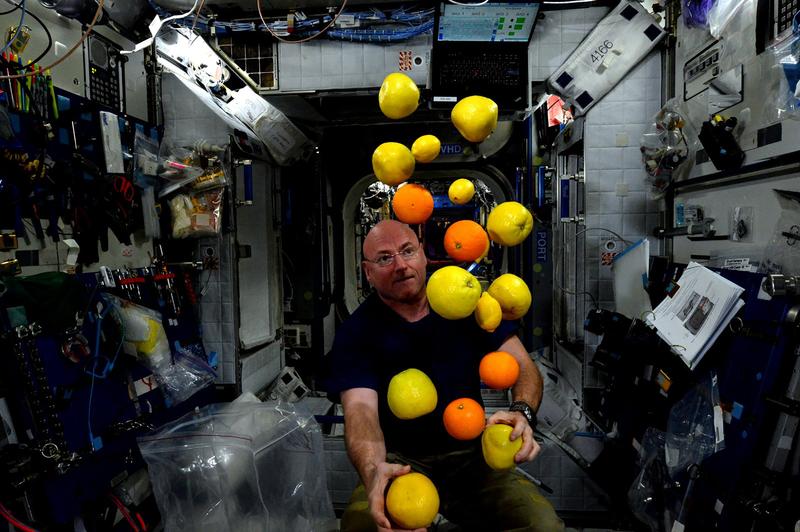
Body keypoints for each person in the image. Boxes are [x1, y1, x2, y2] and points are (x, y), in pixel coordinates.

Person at [324, 220, 564, 532]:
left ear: (423, 256)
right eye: (384, 258)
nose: (400, 265)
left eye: (407, 251)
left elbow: (521, 366)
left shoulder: (469, 303)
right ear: (367, 272)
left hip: (473, 456)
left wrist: (523, 411)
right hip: (401, 461)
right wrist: (373, 471)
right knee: (362, 525)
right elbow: (361, 410)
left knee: (542, 526)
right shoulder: (356, 332)